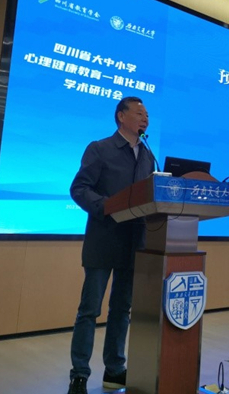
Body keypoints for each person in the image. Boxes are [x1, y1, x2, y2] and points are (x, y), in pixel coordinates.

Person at [67, 96, 155, 394]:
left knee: (122, 309)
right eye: (139, 113)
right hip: (104, 239)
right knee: (89, 310)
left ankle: (115, 370)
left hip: (134, 241)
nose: (145, 118)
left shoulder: (147, 156)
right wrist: (107, 207)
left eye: (147, 114)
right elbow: (79, 188)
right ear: (121, 116)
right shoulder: (100, 148)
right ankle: (79, 374)